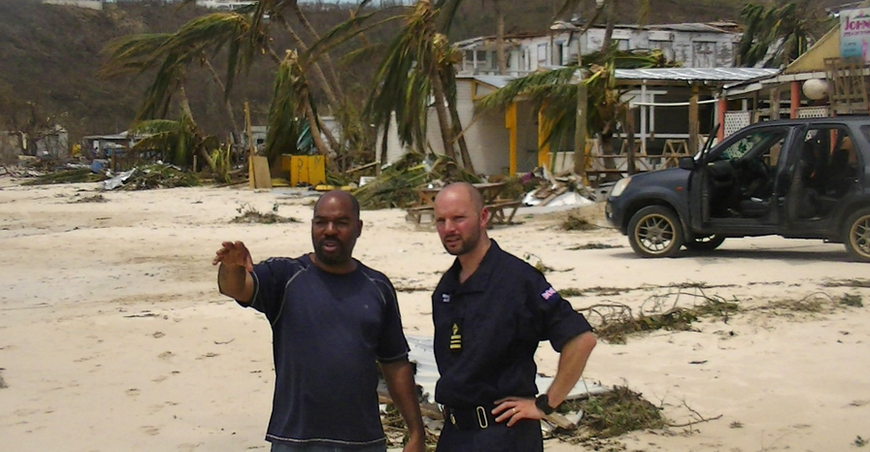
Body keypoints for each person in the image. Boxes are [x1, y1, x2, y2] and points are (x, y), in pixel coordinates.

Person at [214, 190, 425, 452]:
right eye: (321, 222)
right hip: (296, 440)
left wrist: (416, 432)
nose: (330, 230)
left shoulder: (377, 287)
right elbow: (234, 288)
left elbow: (395, 363)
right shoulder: (285, 276)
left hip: (363, 442)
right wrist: (232, 266)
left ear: (358, 228)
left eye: (341, 223)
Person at [430, 182, 597, 452]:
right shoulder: (446, 289)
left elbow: (581, 339)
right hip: (454, 435)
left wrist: (546, 404)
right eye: (440, 220)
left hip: (504, 436)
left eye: (458, 218)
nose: (449, 228)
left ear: (483, 217)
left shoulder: (518, 280)